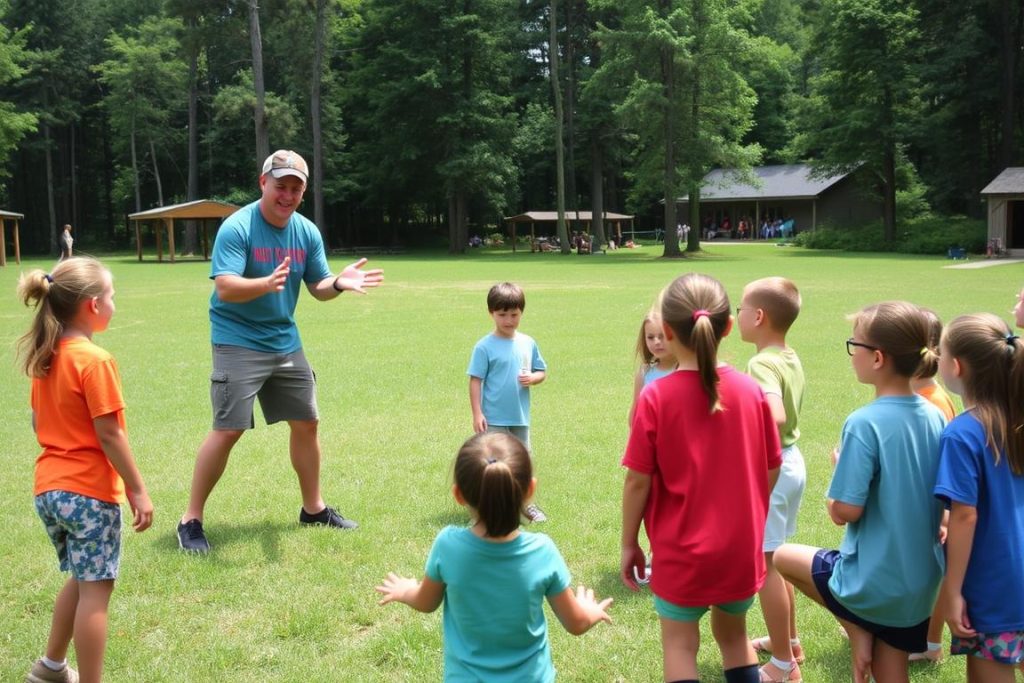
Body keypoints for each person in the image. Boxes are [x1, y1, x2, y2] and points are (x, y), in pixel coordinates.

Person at [176, 149, 384, 553]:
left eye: (295, 188)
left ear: (302, 192)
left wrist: (339, 284)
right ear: (263, 183)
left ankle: (314, 509)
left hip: (284, 340)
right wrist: (264, 284)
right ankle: (190, 520)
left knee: (307, 422)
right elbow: (225, 286)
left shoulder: (306, 232)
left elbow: (318, 287)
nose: (286, 195)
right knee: (229, 428)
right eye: (280, 186)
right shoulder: (237, 227)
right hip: (237, 339)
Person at [621, 273, 782, 683]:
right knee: (734, 638)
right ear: (728, 327)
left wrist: (628, 544)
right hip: (739, 550)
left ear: (668, 332)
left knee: (679, 645)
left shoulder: (656, 397)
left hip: (680, 553)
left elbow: (637, 481)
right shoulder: (751, 392)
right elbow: (771, 466)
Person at [774, 301, 946, 683]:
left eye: (856, 345)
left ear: (879, 358)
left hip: (873, 582)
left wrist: (839, 480)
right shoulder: (935, 414)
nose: (852, 354)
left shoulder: (864, 423)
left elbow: (845, 511)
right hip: (920, 585)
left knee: (781, 555)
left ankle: (857, 628)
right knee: (892, 667)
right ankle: (863, 630)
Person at [375, 432, 612, 682]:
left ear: (459, 495)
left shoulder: (448, 546)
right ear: (530, 489)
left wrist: (405, 591)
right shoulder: (543, 552)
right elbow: (576, 624)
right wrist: (590, 610)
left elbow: (426, 602)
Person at [16, 258, 153, 683]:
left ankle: (51, 667)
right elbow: (109, 434)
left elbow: (39, 424)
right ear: (93, 306)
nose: (115, 303)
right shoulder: (94, 360)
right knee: (97, 592)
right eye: (112, 296)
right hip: (88, 493)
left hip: (49, 490)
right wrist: (138, 490)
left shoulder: (47, 357)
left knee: (81, 577)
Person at [933, 313, 1024, 681]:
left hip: (995, 585)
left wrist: (952, 591)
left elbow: (964, 516)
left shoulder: (963, 433)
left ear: (955, 366)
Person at [736, 277, 806, 683]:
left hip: (773, 468)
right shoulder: (788, 355)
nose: (737, 315)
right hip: (792, 461)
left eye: (741, 308)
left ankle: (783, 665)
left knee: (765, 568)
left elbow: (774, 415)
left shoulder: (760, 363)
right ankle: (790, 642)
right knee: (776, 558)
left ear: (758, 316)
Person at [468, 282, 548, 522]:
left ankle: (525, 504)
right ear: (491, 313)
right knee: (491, 462)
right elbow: (475, 380)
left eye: (514, 314)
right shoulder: (484, 347)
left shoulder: (527, 342)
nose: (509, 320)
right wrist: (477, 413)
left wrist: (533, 378)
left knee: (522, 461)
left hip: (520, 417)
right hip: (493, 417)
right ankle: (486, 508)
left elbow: (541, 371)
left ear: (521, 312)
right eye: (502, 314)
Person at [905, 307, 958, 664]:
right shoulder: (921, 394)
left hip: (932, 506)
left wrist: (942, 517)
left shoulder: (930, 402)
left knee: (933, 571)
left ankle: (931, 643)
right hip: (925, 504)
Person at [629, 308, 678, 424]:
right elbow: (635, 413)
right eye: (650, 337)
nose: (656, 342)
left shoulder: (685, 370)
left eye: (662, 336)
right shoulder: (644, 373)